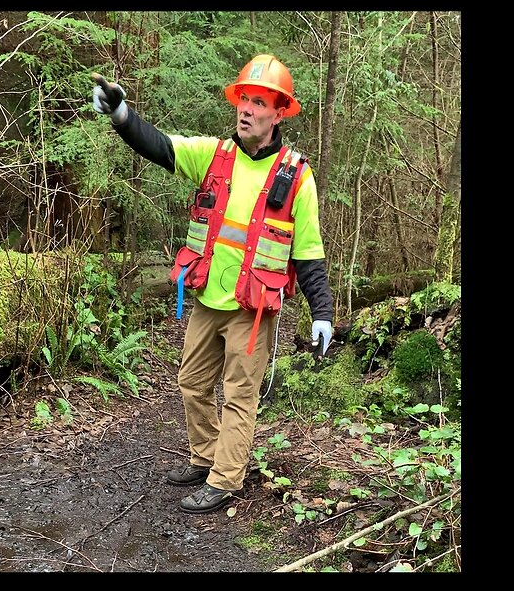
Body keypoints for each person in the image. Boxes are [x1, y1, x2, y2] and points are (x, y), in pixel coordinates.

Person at [91, 54, 335, 514]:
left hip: (253, 309)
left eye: (258, 101)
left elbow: (307, 253)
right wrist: (122, 116)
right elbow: (160, 146)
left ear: (279, 112)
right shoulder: (214, 155)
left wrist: (322, 312)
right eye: (243, 98)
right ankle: (206, 459)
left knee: (239, 394)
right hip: (208, 298)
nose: (246, 108)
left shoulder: (297, 177)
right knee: (191, 382)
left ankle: (226, 479)